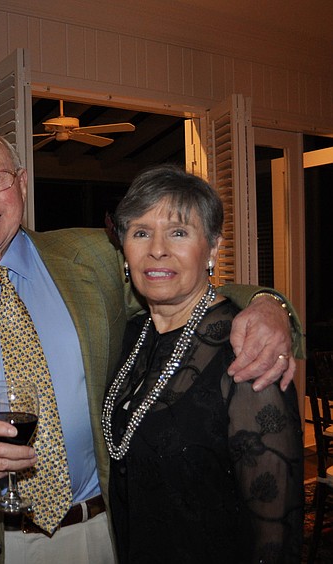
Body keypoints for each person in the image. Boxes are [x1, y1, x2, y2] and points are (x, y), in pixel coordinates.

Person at [0, 126, 300, 564]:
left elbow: (177, 284)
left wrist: (268, 305)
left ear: (22, 184)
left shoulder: (92, 256)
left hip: (103, 532)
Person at [103, 165, 303, 563]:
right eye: (141, 232)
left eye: (178, 232)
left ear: (212, 248)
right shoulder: (131, 334)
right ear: (124, 249)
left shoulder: (248, 353)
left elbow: (276, 531)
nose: (157, 249)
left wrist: (272, 304)